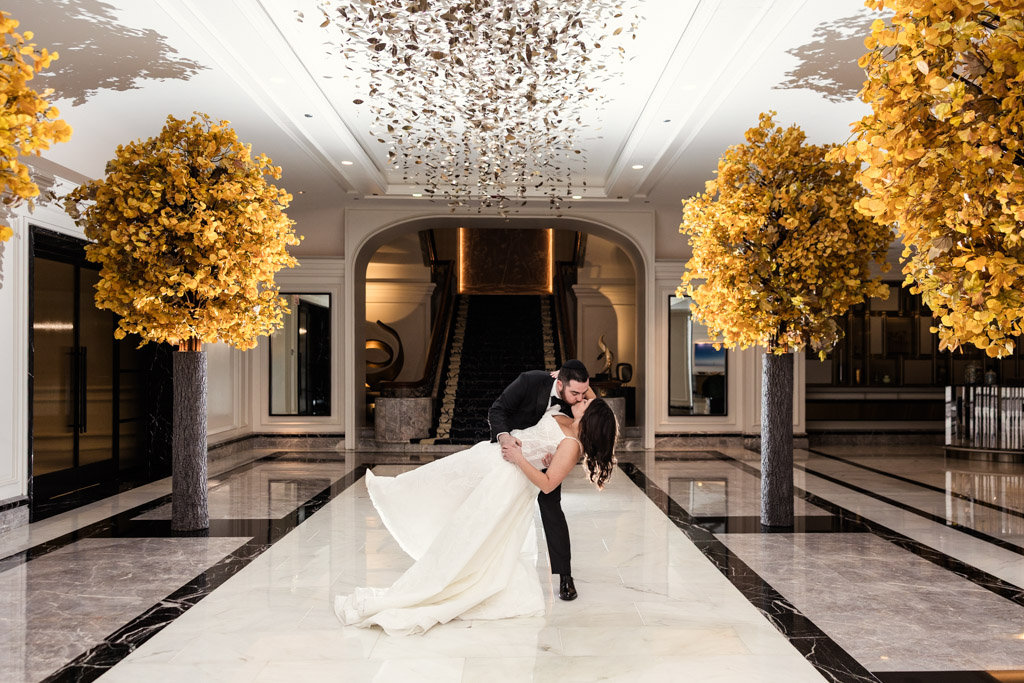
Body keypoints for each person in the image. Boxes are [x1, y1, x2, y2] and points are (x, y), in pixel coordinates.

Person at [335, 395, 617, 636]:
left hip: (509, 479)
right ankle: (398, 493)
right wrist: (541, 458)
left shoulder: (572, 445)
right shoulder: (564, 422)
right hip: (498, 461)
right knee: (447, 490)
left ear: (591, 417)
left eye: (587, 401)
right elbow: (545, 452)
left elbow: (547, 485)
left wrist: (522, 459)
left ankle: (448, 580)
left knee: (473, 532)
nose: (582, 399)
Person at [488, 359, 595, 601]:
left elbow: (593, 415)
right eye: (575, 393)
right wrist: (504, 438)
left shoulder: (577, 400)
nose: (580, 398)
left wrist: (557, 454)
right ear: (559, 383)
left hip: (547, 462)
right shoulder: (530, 380)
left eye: (583, 393)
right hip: (512, 451)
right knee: (500, 511)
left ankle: (565, 576)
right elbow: (498, 409)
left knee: (552, 510)